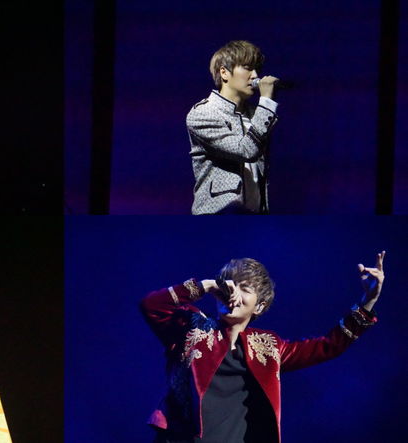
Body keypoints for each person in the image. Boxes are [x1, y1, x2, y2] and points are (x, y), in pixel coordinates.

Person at [140, 252, 385, 442]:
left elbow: (329, 346)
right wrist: (206, 285)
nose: (233, 293)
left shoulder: (270, 347)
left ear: (259, 306)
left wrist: (368, 301)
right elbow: (151, 305)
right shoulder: (191, 326)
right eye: (229, 285)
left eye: (244, 289)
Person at [187, 40, 279, 214]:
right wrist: (266, 102)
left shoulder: (256, 114)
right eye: (247, 68)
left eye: (256, 69)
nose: (255, 76)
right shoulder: (204, 113)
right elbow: (246, 151)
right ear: (224, 73)